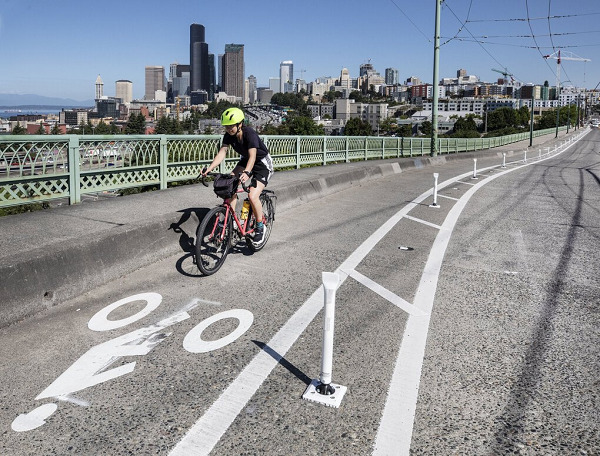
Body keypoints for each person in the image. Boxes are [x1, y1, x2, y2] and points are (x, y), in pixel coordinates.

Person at [201, 107, 274, 245]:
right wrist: (209, 169)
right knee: (229, 184)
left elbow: (253, 156)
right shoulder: (229, 136)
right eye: (226, 126)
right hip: (245, 161)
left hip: (262, 164)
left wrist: (247, 172)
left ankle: (260, 227)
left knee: (252, 195)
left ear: (240, 124)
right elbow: (222, 153)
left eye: (231, 126)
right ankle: (231, 221)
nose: (228, 129)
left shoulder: (249, 133)